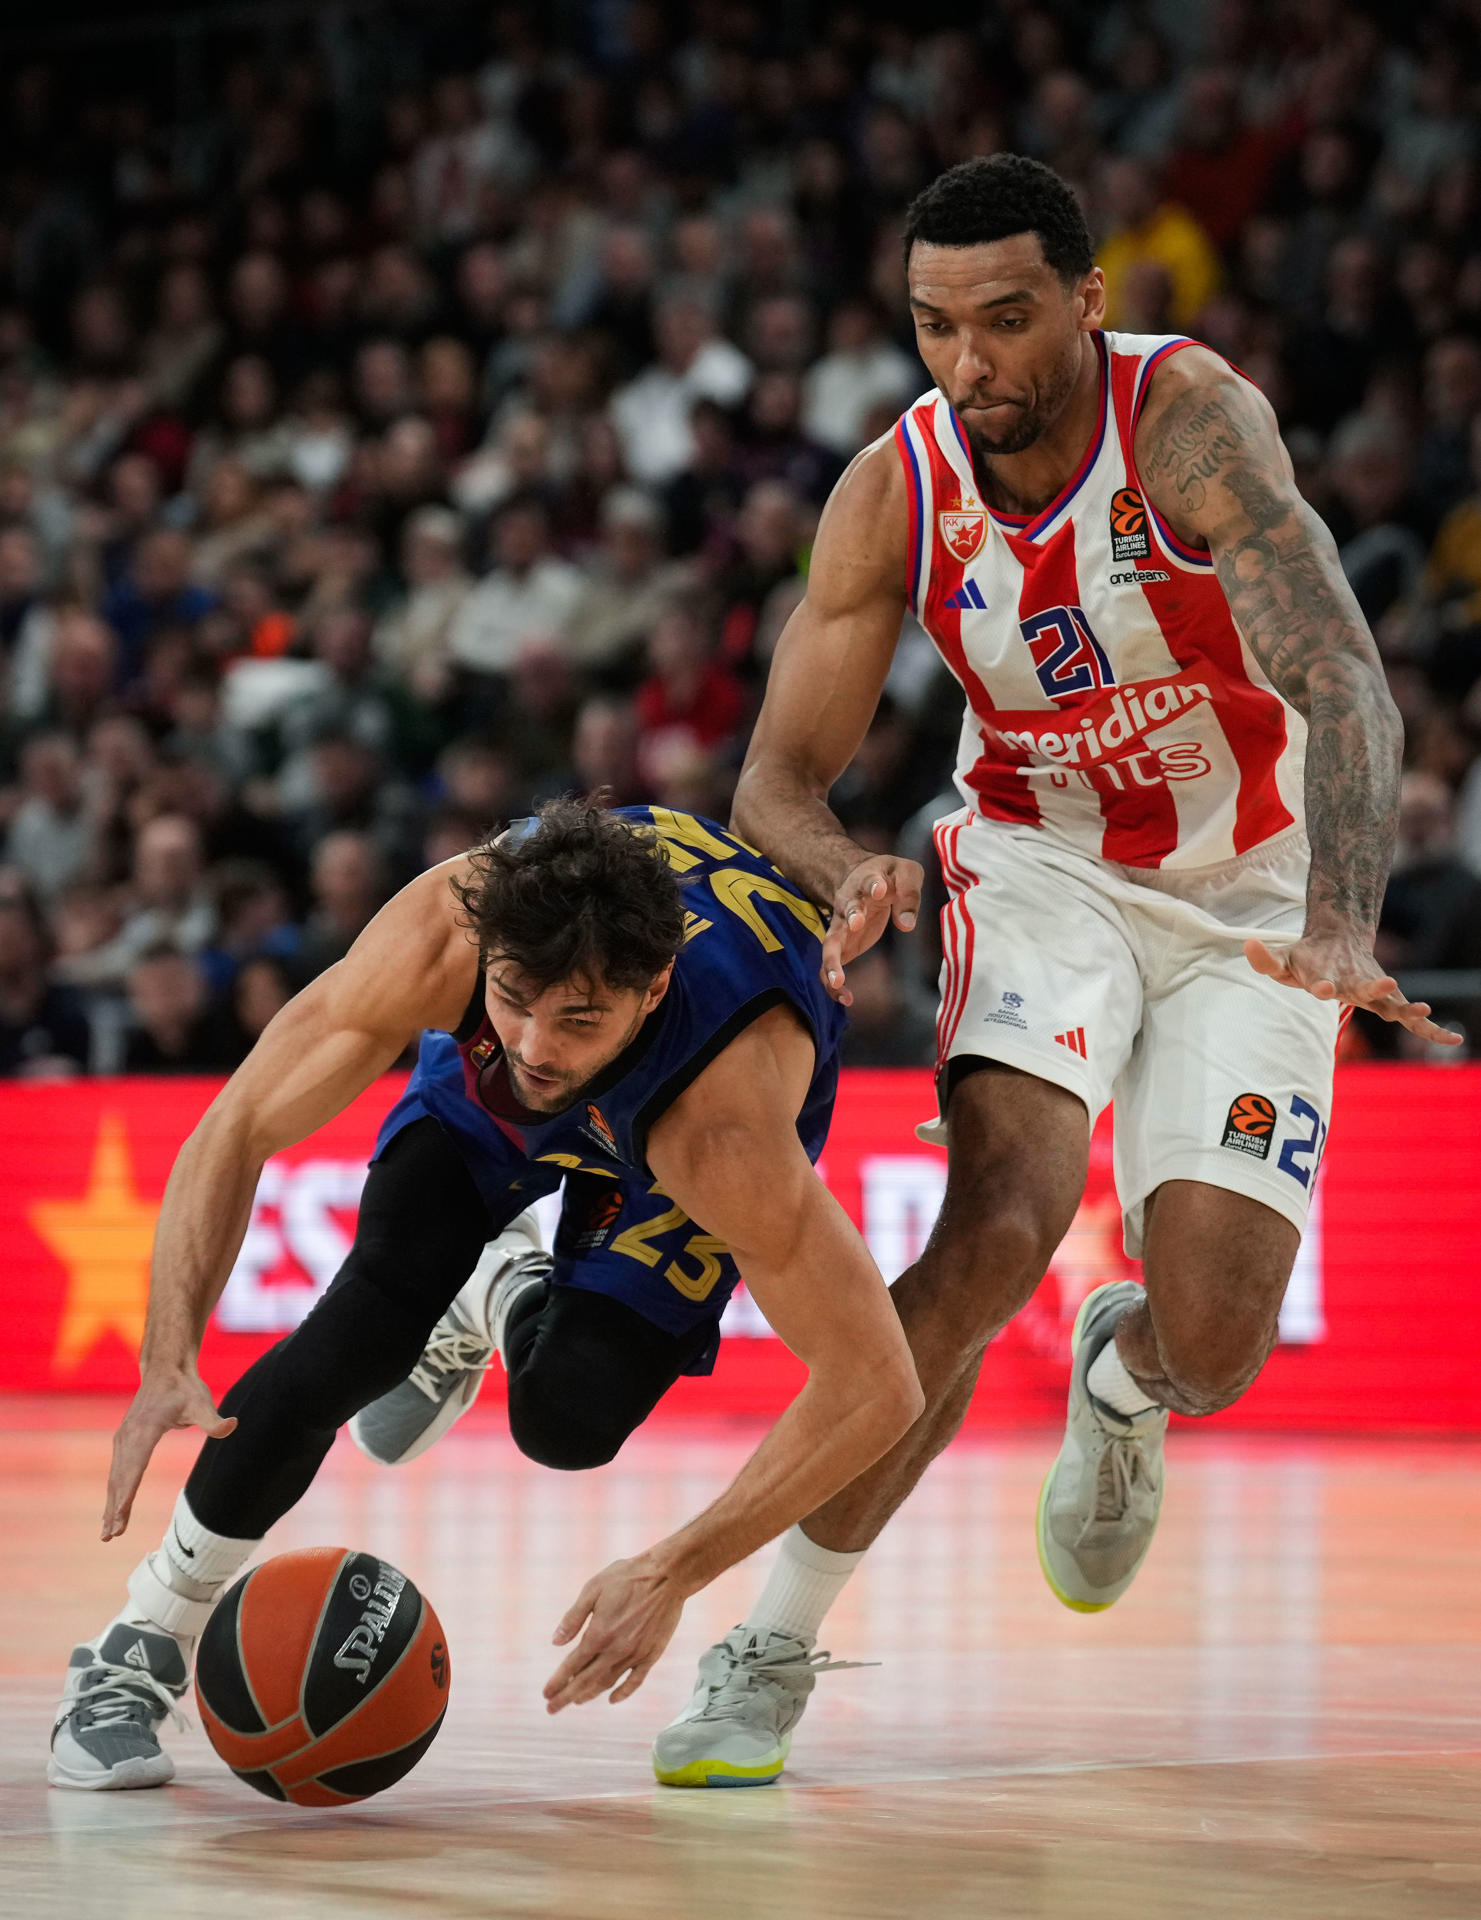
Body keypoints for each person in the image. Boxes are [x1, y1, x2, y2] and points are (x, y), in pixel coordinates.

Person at [645, 152, 1458, 1788]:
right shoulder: (893, 489)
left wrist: (1346, 926)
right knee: (989, 1236)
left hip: (1254, 881)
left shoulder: (1188, 422)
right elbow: (776, 785)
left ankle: (1125, 1369)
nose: (971, 363)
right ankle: (772, 1645)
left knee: (1220, 1339)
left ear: (1088, 303)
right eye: (937, 325)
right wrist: (845, 863)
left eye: (1007, 320)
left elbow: (1348, 685)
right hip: (1037, 866)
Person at [48, 800, 920, 1790]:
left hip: (676, 1104)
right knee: (357, 1333)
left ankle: (498, 1286)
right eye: (514, 998)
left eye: (576, 1018)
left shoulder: (720, 1132)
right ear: (488, 957)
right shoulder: (450, 932)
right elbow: (237, 1124)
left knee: (569, 1422)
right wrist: (167, 1356)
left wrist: (675, 1568)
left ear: (650, 986)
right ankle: (133, 1651)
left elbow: (875, 1383)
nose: (537, 1044)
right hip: (537, 1074)